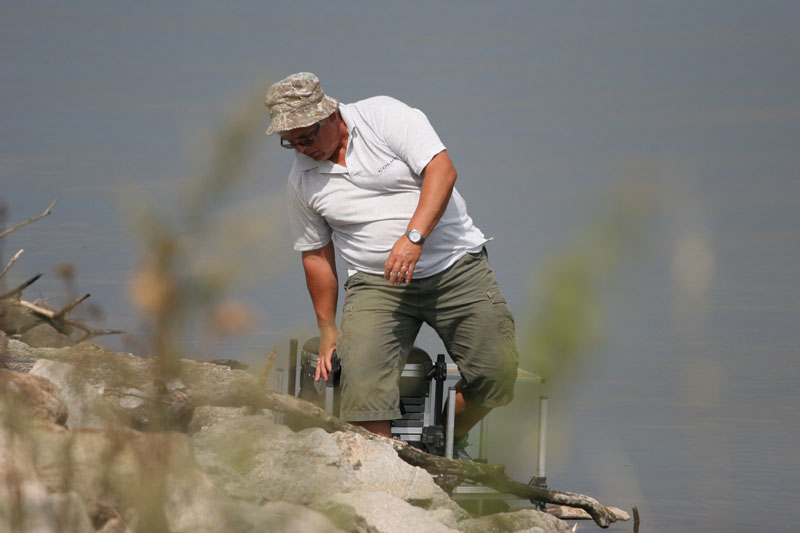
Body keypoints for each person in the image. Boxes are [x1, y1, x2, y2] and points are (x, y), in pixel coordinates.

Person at [265, 72, 518, 454]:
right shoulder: (302, 181)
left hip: (454, 267)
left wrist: (414, 237)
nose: (302, 149)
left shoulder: (384, 117)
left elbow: (442, 171)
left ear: (329, 114)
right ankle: (383, 475)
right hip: (375, 283)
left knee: (495, 373)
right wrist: (327, 327)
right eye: (291, 142)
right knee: (362, 391)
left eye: (308, 137)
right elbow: (316, 254)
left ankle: (444, 441)